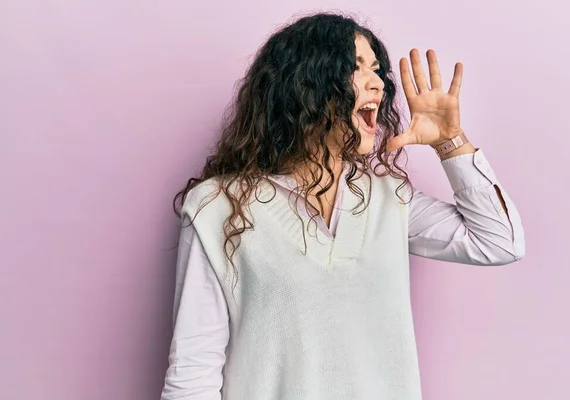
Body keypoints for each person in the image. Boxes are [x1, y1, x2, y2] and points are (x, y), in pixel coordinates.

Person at [160, 12, 525, 400]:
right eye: (355, 68)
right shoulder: (219, 207)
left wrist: (449, 141)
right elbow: (192, 374)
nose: (379, 83)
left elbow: (500, 242)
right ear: (304, 85)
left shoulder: (387, 198)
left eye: (378, 70)